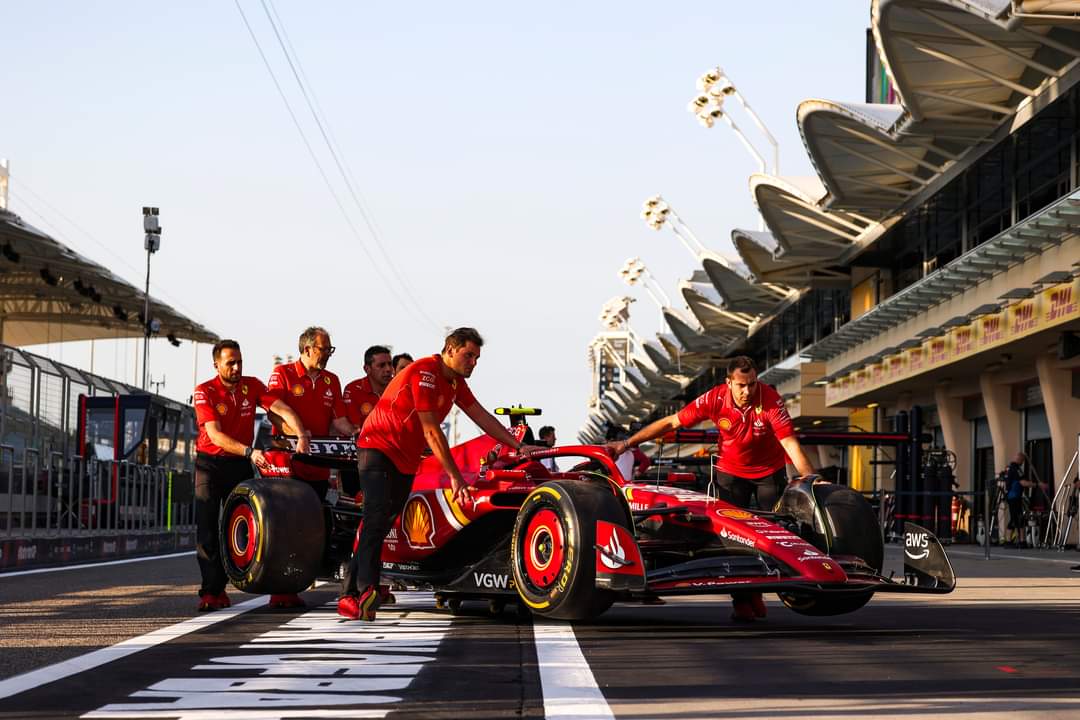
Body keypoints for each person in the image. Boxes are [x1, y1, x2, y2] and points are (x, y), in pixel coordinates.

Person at [338, 327, 543, 621]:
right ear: (449, 349)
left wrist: (518, 445)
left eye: (476, 357)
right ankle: (361, 591)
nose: (473, 362)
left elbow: (482, 416)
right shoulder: (425, 372)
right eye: (468, 355)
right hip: (377, 449)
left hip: (405, 460)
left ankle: (356, 589)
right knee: (375, 517)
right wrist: (456, 478)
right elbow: (432, 431)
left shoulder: (456, 383)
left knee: (382, 524)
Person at [605, 355, 816, 623]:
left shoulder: (770, 399)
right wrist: (627, 444)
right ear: (728, 382)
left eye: (752, 384)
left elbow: (790, 443)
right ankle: (742, 598)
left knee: (772, 536)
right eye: (741, 385)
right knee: (732, 539)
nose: (747, 391)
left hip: (768, 475)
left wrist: (810, 478)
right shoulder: (714, 398)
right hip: (730, 475)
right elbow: (671, 422)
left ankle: (757, 593)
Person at [192, 339, 310, 612]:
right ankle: (212, 592)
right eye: (230, 363)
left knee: (258, 526)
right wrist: (249, 451)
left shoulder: (252, 385)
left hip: (240, 465)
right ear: (217, 364)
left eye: (239, 362)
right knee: (208, 528)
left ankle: (277, 588)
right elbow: (215, 434)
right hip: (210, 464)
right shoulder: (205, 391)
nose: (236, 367)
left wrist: (301, 433)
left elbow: (280, 409)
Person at [265, 326, 357, 608]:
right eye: (323, 349)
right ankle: (281, 589)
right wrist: (299, 434)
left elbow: (339, 420)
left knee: (313, 526)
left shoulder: (332, 380)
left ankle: (303, 578)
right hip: (287, 462)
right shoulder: (283, 374)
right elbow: (274, 411)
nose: (328, 354)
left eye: (330, 349)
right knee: (286, 525)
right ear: (307, 349)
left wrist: (357, 433)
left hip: (318, 464)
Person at [343, 345, 395, 429]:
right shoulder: (353, 390)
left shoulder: (400, 387)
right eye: (382, 365)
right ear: (367, 369)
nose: (388, 369)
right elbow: (355, 427)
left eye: (390, 364)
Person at [1005, 452, 1030, 548]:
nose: (1023, 463)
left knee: (1016, 518)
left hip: (1012, 496)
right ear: (1020, 460)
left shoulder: (1010, 468)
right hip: (1014, 496)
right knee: (1017, 518)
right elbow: (1023, 482)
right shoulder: (1016, 469)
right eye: (1022, 461)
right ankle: (1014, 541)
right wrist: (1036, 484)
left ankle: (1017, 541)